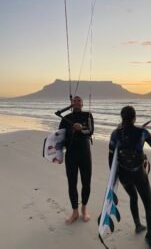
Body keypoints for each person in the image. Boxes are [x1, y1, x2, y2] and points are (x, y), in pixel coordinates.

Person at [108, 106, 151, 249]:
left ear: (122, 117)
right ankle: (150, 237)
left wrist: (114, 177)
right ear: (134, 117)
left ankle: (138, 225)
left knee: (133, 196)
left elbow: (110, 157)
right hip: (139, 174)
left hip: (124, 175)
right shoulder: (143, 132)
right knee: (148, 205)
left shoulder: (115, 134)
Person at [59, 96, 94, 224]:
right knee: (72, 183)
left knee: (86, 182)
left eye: (79, 100)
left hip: (85, 153)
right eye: (75, 100)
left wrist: (81, 129)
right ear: (71, 103)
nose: (77, 102)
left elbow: (90, 131)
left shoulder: (88, 115)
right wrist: (58, 155)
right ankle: (75, 211)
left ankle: (84, 209)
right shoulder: (66, 117)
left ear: (82, 104)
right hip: (71, 154)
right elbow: (60, 136)